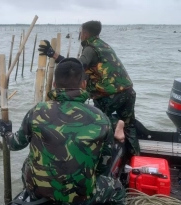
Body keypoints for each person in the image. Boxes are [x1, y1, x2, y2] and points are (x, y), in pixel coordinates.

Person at [0, 58, 126, 205]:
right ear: (83, 84)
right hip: (80, 200)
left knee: (28, 162)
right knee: (118, 192)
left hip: (36, 192)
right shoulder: (101, 118)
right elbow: (104, 166)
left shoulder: (37, 111)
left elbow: (14, 144)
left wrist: (5, 132)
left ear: (54, 84)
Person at [38, 20, 140, 156]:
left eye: (80, 32)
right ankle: (135, 157)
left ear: (85, 34)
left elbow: (76, 67)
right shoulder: (104, 45)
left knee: (100, 120)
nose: (80, 35)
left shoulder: (90, 48)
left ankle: (115, 127)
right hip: (128, 91)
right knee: (130, 125)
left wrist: (54, 54)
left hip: (109, 94)